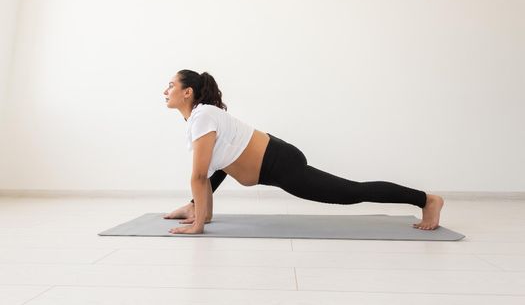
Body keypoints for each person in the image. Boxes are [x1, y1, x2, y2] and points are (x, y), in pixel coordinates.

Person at [162, 69, 444, 234]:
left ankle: (426, 200)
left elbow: (199, 176)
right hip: (275, 159)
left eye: (172, 85)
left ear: (188, 92)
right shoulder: (200, 119)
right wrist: (200, 210)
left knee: (351, 192)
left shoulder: (202, 117)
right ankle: (194, 206)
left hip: (280, 164)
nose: (166, 90)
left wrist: (198, 225)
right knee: (218, 164)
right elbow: (216, 166)